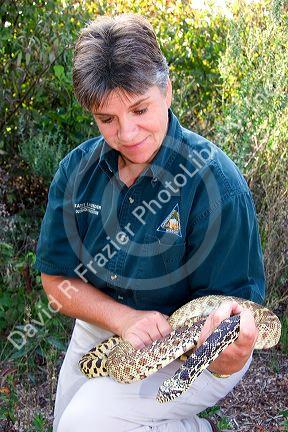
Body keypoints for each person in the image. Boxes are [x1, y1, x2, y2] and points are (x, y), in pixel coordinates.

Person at [35, 13, 265, 432]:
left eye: (140, 109)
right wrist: (122, 319)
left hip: (189, 348)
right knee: (65, 423)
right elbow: (56, 280)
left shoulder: (219, 187)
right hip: (105, 323)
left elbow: (235, 329)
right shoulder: (77, 172)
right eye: (107, 119)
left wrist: (227, 345)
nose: (127, 132)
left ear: (167, 90)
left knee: (85, 423)